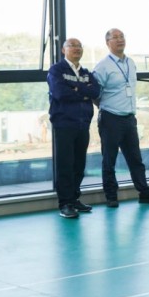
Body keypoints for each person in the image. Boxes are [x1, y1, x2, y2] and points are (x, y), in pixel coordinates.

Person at [92, 28, 149, 207]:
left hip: (129, 118)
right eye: (115, 37)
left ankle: (144, 192)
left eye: (122, 37)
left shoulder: (131, 63)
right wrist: (107, 108)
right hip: (110, 118)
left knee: (135, 159)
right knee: (109, 160)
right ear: (108, 43)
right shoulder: (103, 66)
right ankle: (111, 196)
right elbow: (94, 94)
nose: (120, 40)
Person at [47, 38, 101, 219]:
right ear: (64, 50)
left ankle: (74, 198)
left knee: (79, 164)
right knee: (65, 165)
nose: (76, 49)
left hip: (83, 124)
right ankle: (65, 204)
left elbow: (95, 92)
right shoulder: (57, 70)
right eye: (72, 46)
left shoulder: (85, 73)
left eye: (79, 46)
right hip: (64, 124)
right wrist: (83, 91)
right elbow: (60, 93)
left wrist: (76, 88)